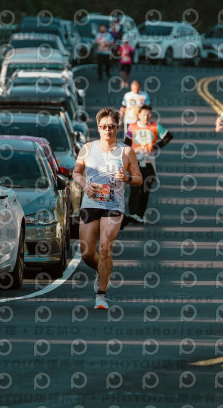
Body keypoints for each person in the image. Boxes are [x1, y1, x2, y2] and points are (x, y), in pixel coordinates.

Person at [72, 108, 142, 309]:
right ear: (98, 128)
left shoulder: (126, 151)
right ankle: (102, 270)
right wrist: (85, 185)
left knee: (105, 248)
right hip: (90, 203)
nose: (108, 130)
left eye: (111, 126)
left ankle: (101, 295)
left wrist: (127, 178)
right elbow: (76, 173)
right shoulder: (87, 148)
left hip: (113, 205)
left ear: (118, 127)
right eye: (103, 127)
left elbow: (139, 179)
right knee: (86, 253)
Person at [125, 105, 173, 223]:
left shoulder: (155, 127)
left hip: (149, 163)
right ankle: (133, 214)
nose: (146, 117)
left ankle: (141, 215)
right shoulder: (132, 127)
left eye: (148, 114)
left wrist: (155, 147)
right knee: (135, 189)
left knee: (145, 190)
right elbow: (126, 143)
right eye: (144, 114)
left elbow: (168, 136)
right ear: (139, 115)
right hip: (135, 162)